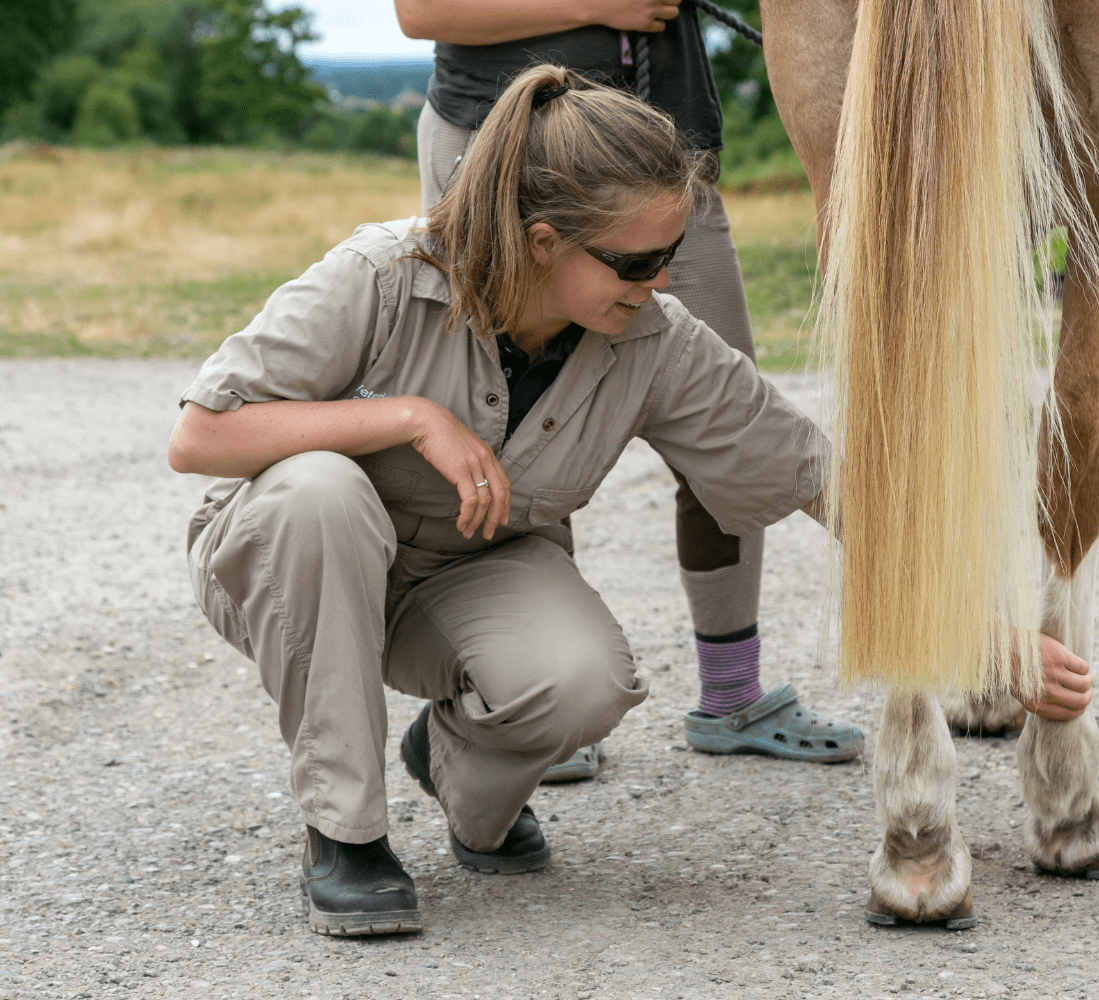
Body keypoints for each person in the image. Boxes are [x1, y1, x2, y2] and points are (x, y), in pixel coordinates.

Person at [167, 66, 838, 935]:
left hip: (464, 581)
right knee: (320, 490)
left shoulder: (653, 336)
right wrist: (408, 418)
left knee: (588, 682)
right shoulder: (378, 273)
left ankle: (451, 756)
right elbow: (201, 436)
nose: (663, 281)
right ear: (545, 239)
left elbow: (812, 472)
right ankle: (344, 834)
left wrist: (986, 633)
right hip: (297, 559)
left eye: (671, 255)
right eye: (638, 261)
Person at [393, 0, 864, 783]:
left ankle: (732, 697)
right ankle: (521, 697)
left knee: (727, 425)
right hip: (499, 159)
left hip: (662, 165)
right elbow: (420, 13)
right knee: (514, 419)